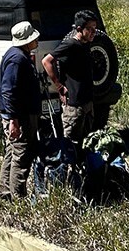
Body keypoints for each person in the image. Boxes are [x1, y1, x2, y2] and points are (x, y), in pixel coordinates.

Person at [0, 20, 41, 199]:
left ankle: (5, 191)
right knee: (21, 157)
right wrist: (13, 121)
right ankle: (18, 197)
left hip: (19, 115)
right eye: (33, 38)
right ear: (26, 41)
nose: (37, 40)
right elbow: (8, 90)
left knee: (12, 152)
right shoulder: (17, 59)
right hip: (20, 117)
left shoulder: (17, 55)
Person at [42, 10, 98, 148]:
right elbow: (47, 61)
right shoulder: (70, 45)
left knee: (86, 143)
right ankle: (68, 169)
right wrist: (59, 86)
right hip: (74, 104)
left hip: (87, 102)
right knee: (70, 145)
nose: (93, 32)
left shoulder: (86, 44)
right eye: (89, 29)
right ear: (79, 29)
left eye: (94, 29)